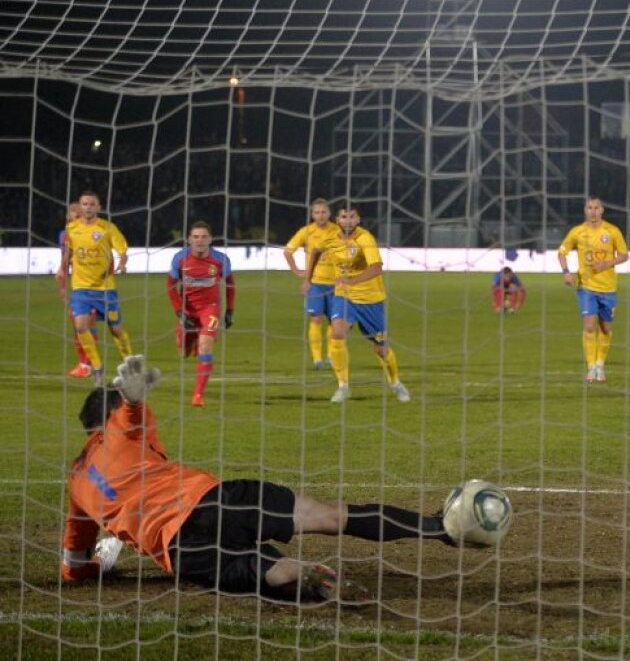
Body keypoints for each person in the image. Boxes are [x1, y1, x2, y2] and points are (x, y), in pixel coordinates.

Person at [60, 356, 458, 603]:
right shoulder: (122, 429)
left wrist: (98, 565)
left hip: (180, 547)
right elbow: (129, 419)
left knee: (269, 571)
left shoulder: (77, 482)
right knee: (332, 516)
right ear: (109, 417)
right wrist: (132, 400)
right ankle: (439, 527)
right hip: (216, 498)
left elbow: (73, 566)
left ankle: (309, 575)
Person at [308, 204, 410, 404]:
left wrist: (351, 280)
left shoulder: (365, 238)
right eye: (343, 216)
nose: (347, 221)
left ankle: (396, 383)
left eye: (352, 217)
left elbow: (376, 267)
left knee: (381, 349)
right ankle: (343, 386)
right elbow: (315, 251)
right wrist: (308, 278)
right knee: (337, 333)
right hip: (344, 297)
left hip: (371, 299)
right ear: (337, 219)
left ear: (358, 219)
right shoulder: (330, 238)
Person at [60, 191, 135, 385]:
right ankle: (97, 368)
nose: (88, 207)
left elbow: (122, 249)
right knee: (80, 327)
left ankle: (130, 363)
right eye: (85, 204)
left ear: (99, 207)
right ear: (80, 207)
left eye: (92, 204)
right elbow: (68, 252)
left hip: (105, 289)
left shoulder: (107, 228)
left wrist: (123, 262)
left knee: (116, 329)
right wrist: (62, 269)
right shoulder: (71, 228)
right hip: (81, 288)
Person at [557, 197, 628, 383]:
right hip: (586, 287)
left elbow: (624, 255)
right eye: (590, 208)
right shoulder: (577, 232)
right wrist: (566, 272)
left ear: (602, 210)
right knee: (589, 326)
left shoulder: (612, 231)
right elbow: (562, 252)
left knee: (605, 328)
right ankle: (591, 368)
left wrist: (607, 263)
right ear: (585, 210)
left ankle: (600, 364)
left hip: (608, 287)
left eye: (596, 208)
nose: (593, 211)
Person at [167, 221, 235, 407]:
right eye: (196, 237)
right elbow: (171, 286)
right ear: (189, 239)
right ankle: (188, 339)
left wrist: (230, 310)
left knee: (205, 346)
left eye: (204, 237)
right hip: (187, 309)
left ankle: (198, 395)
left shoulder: (220, 259)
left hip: (210, 309)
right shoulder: (179, 258)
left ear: (211, 239)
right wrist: (179, 312)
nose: (200, 240)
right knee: (183, 352)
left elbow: (230, 284)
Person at [283, 198, 340, 370]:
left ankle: (331, 355)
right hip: (315, 283)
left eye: (323, 212)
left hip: (336, 283)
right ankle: (317, 359)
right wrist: (297, 271)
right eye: (317, 212)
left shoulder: (337, 230)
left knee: (335, 321)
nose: (320, 215)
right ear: (312, 214)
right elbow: (288, 251)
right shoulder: (306, 231)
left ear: (329, 213)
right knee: (316, 318)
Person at [56, 200, 99, 378]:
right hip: (78, 287)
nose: (76, 218)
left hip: (94, 286)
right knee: (78, 326)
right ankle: (86, 363)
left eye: (78, 215)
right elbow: (65, 263)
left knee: (86, 324)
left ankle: (88, 364)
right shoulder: (66, 235)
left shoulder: (95, 233)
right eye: (73, 216)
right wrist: (62, 286)